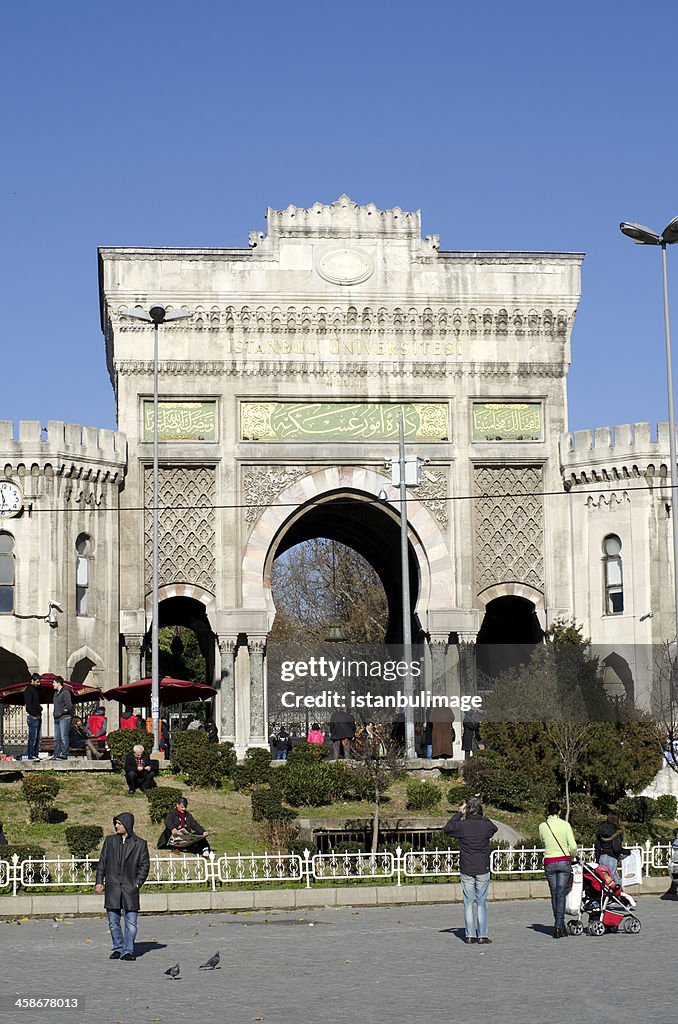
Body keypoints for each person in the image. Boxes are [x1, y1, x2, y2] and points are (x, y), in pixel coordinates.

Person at [95, 812, 150, 961]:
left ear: (127, 824)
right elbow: (102, 863)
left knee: (131, 923)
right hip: (112, 887)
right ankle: (118, 948)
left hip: (130, 888)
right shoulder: (110, 841)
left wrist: (136, 884)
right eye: (116, 823)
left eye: (119, 823)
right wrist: (99, 881)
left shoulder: (140, 844)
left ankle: (128, 950)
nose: (116, 826)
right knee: (113, 923)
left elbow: (144, 866)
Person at [444, 797, 498, 944]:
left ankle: (469, 935)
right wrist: (482, 816)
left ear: (467, 809)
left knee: (468, 903)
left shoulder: (462, 825)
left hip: (467, 867)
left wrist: (458, 813)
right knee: (481, 902)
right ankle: (482, 935)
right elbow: (494, 828)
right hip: (482, 867)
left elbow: (447, 829)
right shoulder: (485, 825)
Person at [538, 800, 578, 938]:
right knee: (561, 894)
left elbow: (543, 842)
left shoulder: (543, 826)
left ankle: (559, 924)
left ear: (548, 811)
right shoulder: (565, 825)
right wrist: (573, 855)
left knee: (554, 894)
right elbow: (572, 846)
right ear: (559, 812)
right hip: (563, 861)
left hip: (549, 862)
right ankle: (559, 926)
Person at [594, 811, 631, 886]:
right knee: (611, 881)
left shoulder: (601, 830)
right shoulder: (616, 830)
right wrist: (627, 852)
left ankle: (620, 894)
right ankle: (617, 895)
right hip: (611, 858)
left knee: (610, 879)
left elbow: (597, 846)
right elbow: (616, 848)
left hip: (602, 857)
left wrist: (597, 860)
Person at [51, 676, 73, 760]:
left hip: (64, 717)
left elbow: (69, 706)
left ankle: (64, 754)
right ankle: (56, 754)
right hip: (56, 718)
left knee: (64, 736)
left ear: (58, 683)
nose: (53, 684)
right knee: (56, 738)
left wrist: (61, 712)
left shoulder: (65, 692)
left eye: (54, 682)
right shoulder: (55, 693)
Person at [24, 673, 42, 760]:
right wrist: (34, 714)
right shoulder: (29, 690)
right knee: (33, 737)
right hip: (33, 716)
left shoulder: (36, 690)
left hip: (37, 716)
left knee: (37, 737)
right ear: (32, 681)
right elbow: (28, 706)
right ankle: (31, 755)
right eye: (37, 682)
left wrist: (39, 710)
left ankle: (35, 754)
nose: (39, 684)